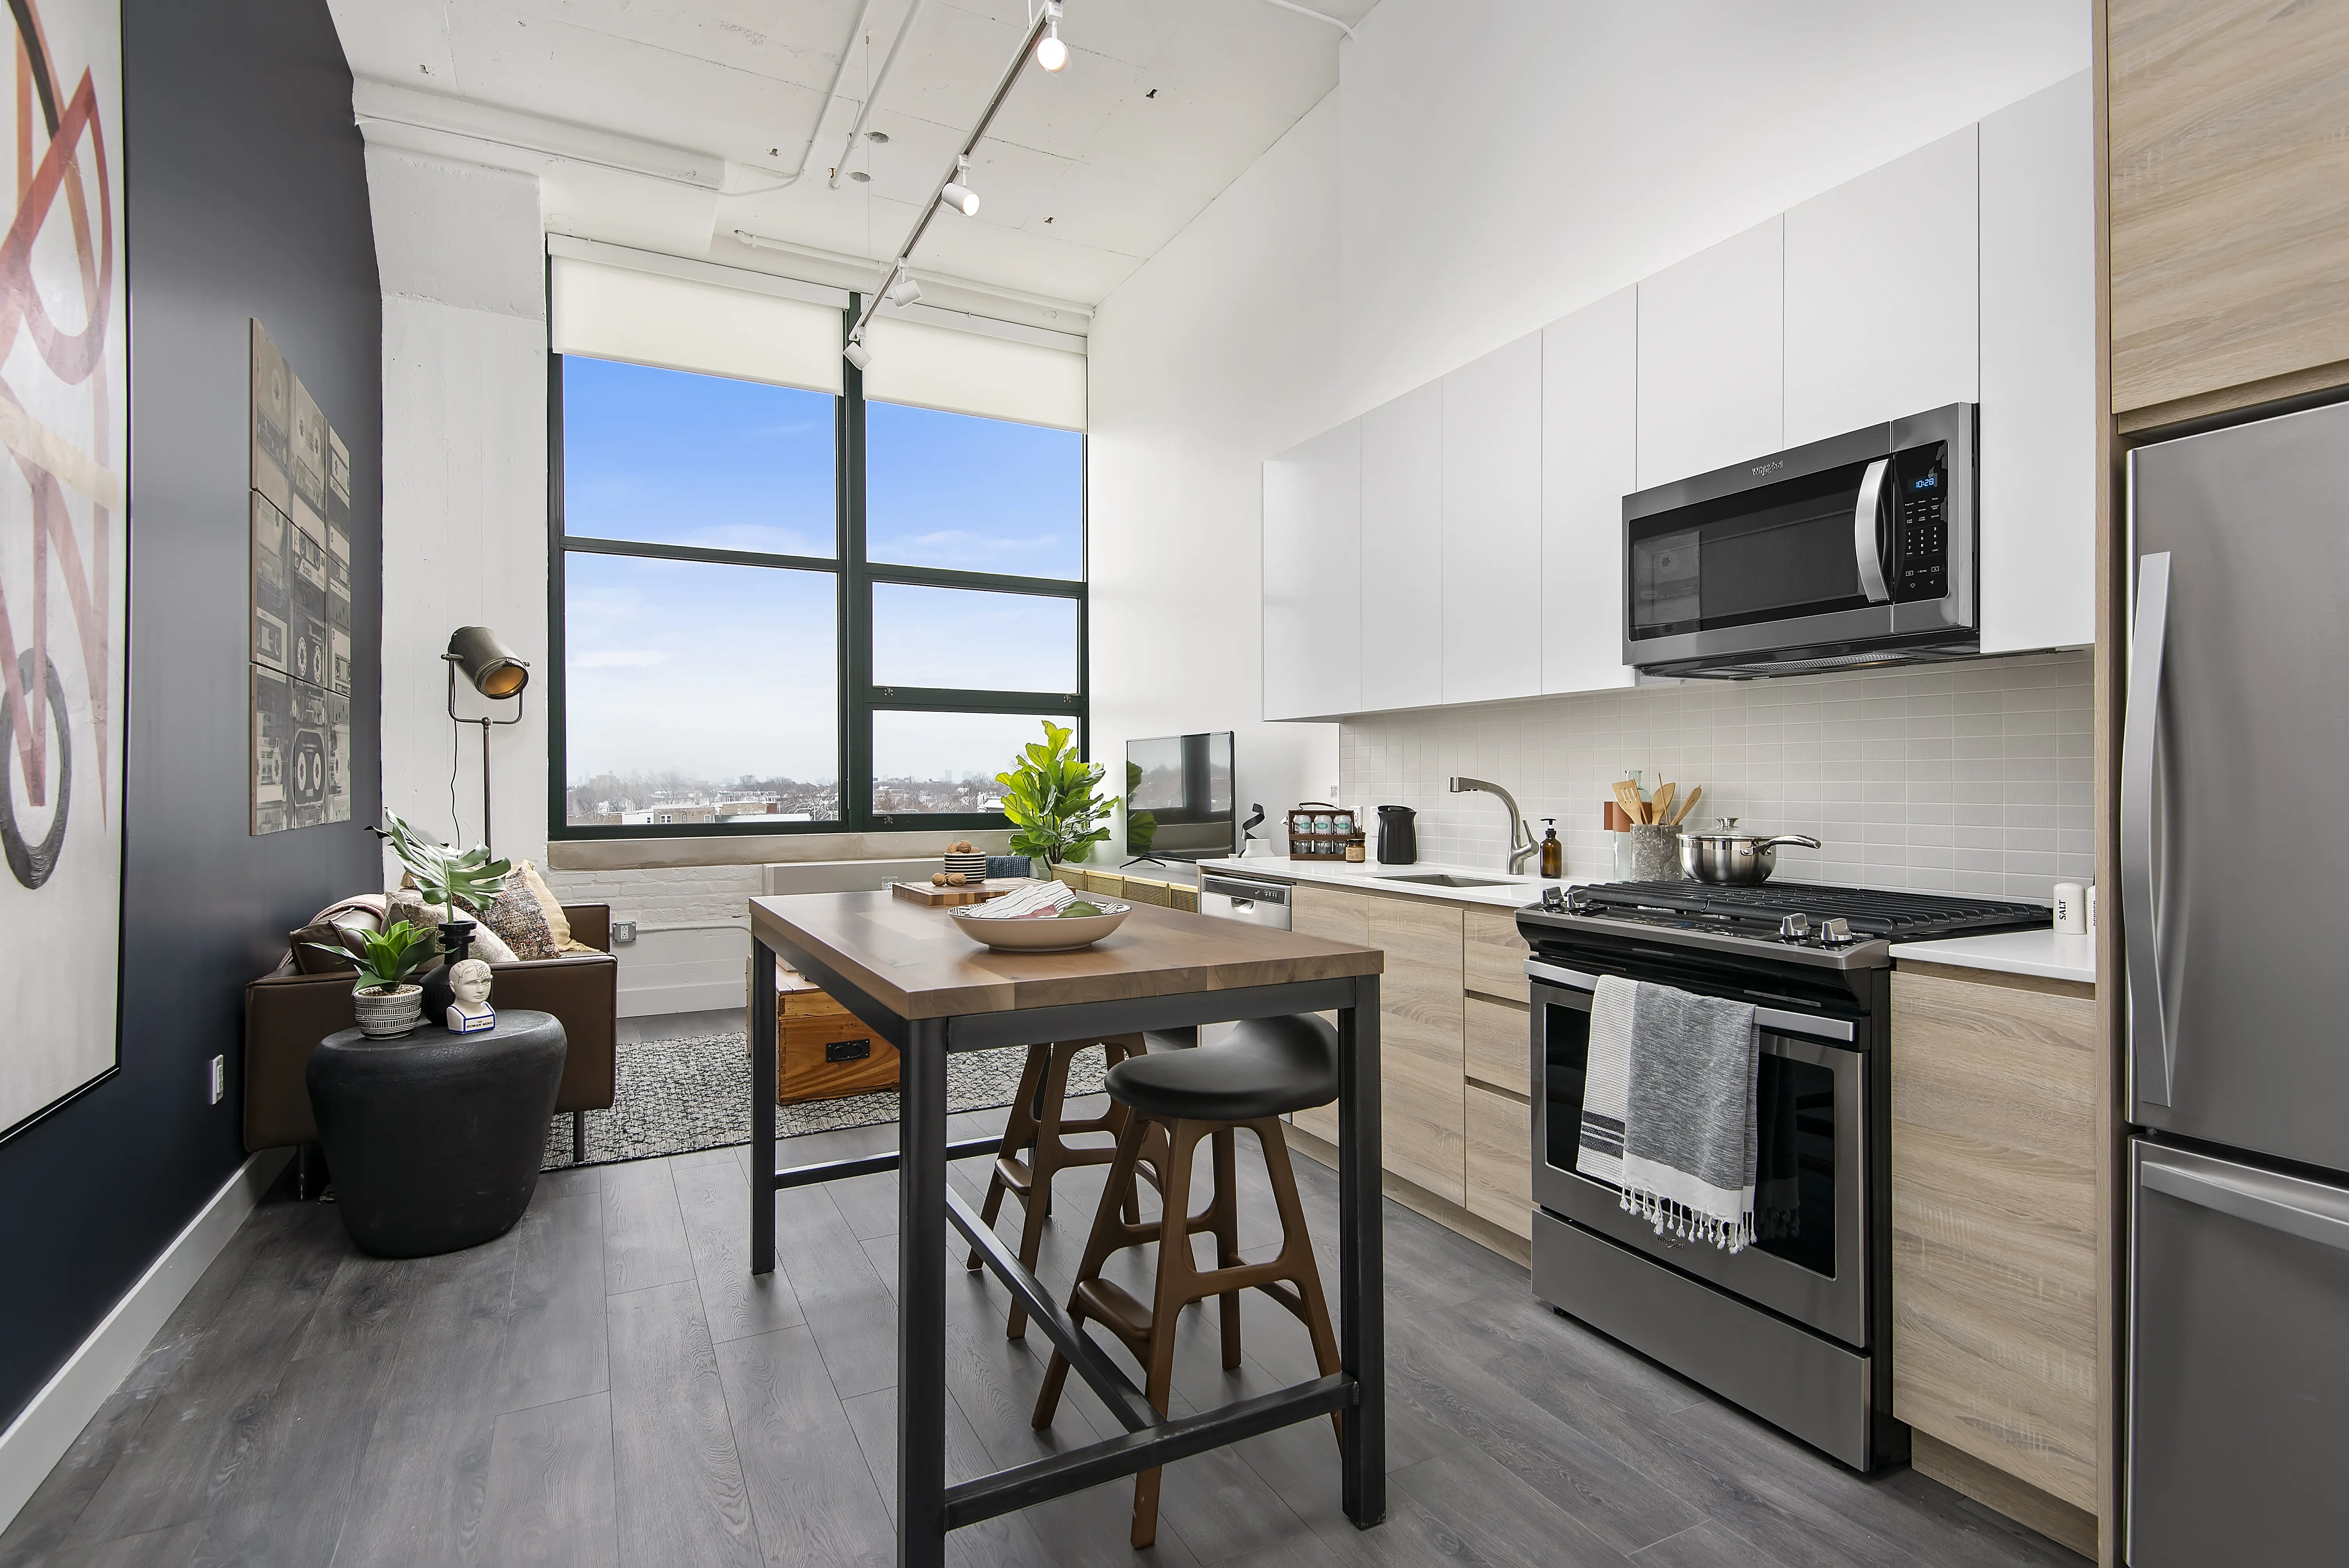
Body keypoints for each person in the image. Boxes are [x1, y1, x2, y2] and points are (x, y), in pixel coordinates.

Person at [446, 957, 495, 1033]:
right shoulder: (455, 1013)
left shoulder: (488, 1009)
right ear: (453, 987)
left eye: (485, 982)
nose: (481, 990)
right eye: (471, 984)